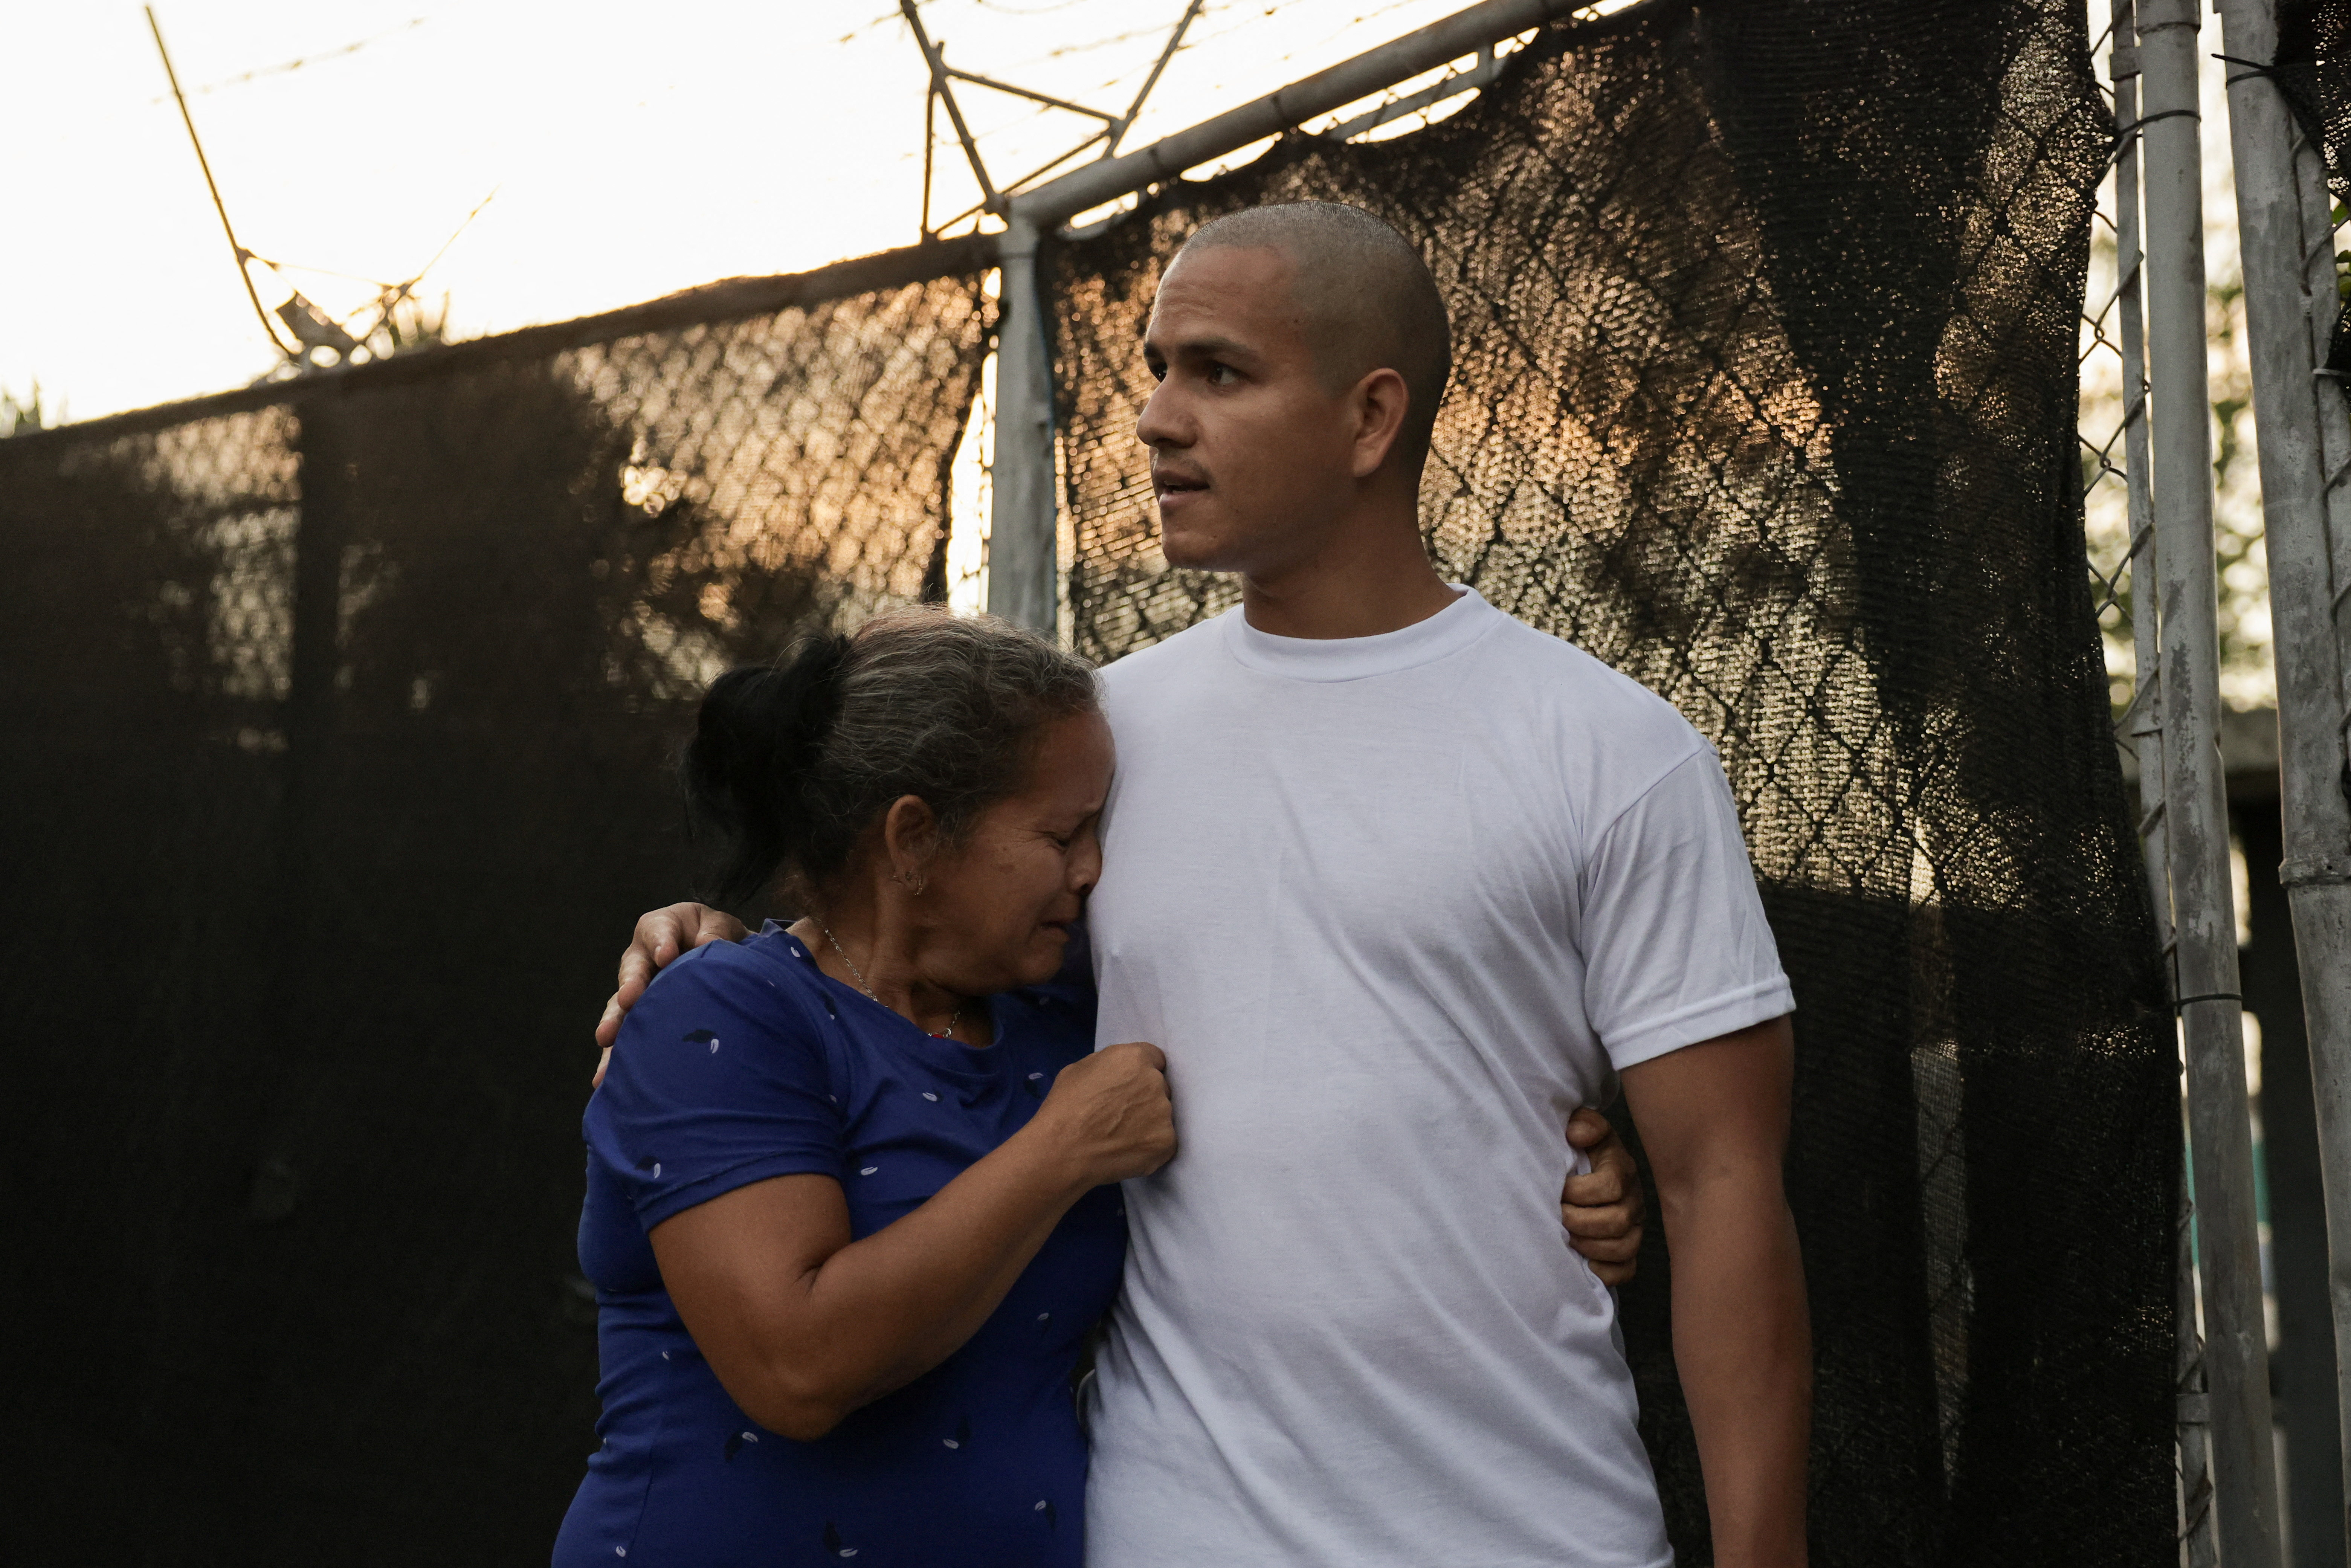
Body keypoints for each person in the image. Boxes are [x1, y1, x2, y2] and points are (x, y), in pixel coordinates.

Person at [608, 199, 1804, 1567]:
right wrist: (717, 946)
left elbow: (1724, 1188)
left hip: (1535, 1530)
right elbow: (909, 962)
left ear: (1370, 419)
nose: (1156, 418)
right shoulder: (1097, 745)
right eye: (1157, 369)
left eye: (1219, 373)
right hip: (1171, 1530)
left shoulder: (1616, 753)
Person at [553, 609, 1177, 1567]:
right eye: (1062, 834)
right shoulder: (727, 1014)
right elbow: (796, 1369)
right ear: (914, 838)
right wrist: (1059, 1151)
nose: (1093, 870)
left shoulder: (1054, 1015)